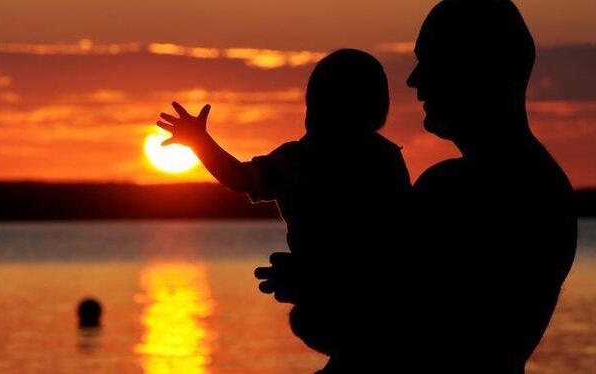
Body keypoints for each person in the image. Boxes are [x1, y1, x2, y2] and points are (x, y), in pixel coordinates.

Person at [256, 1, 577, 372]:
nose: (413, 80)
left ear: (477, 68)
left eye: (430, 60)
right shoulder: (545, 186)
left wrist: (318, 286)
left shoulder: (459, 190)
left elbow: (401, 328)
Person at [156, 49, 412, 362]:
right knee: (320, 322)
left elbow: (238, 177)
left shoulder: (303, 159)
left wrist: (200, 142)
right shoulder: (380, 156)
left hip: (357, 284)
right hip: (364, 290)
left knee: (315, 321)